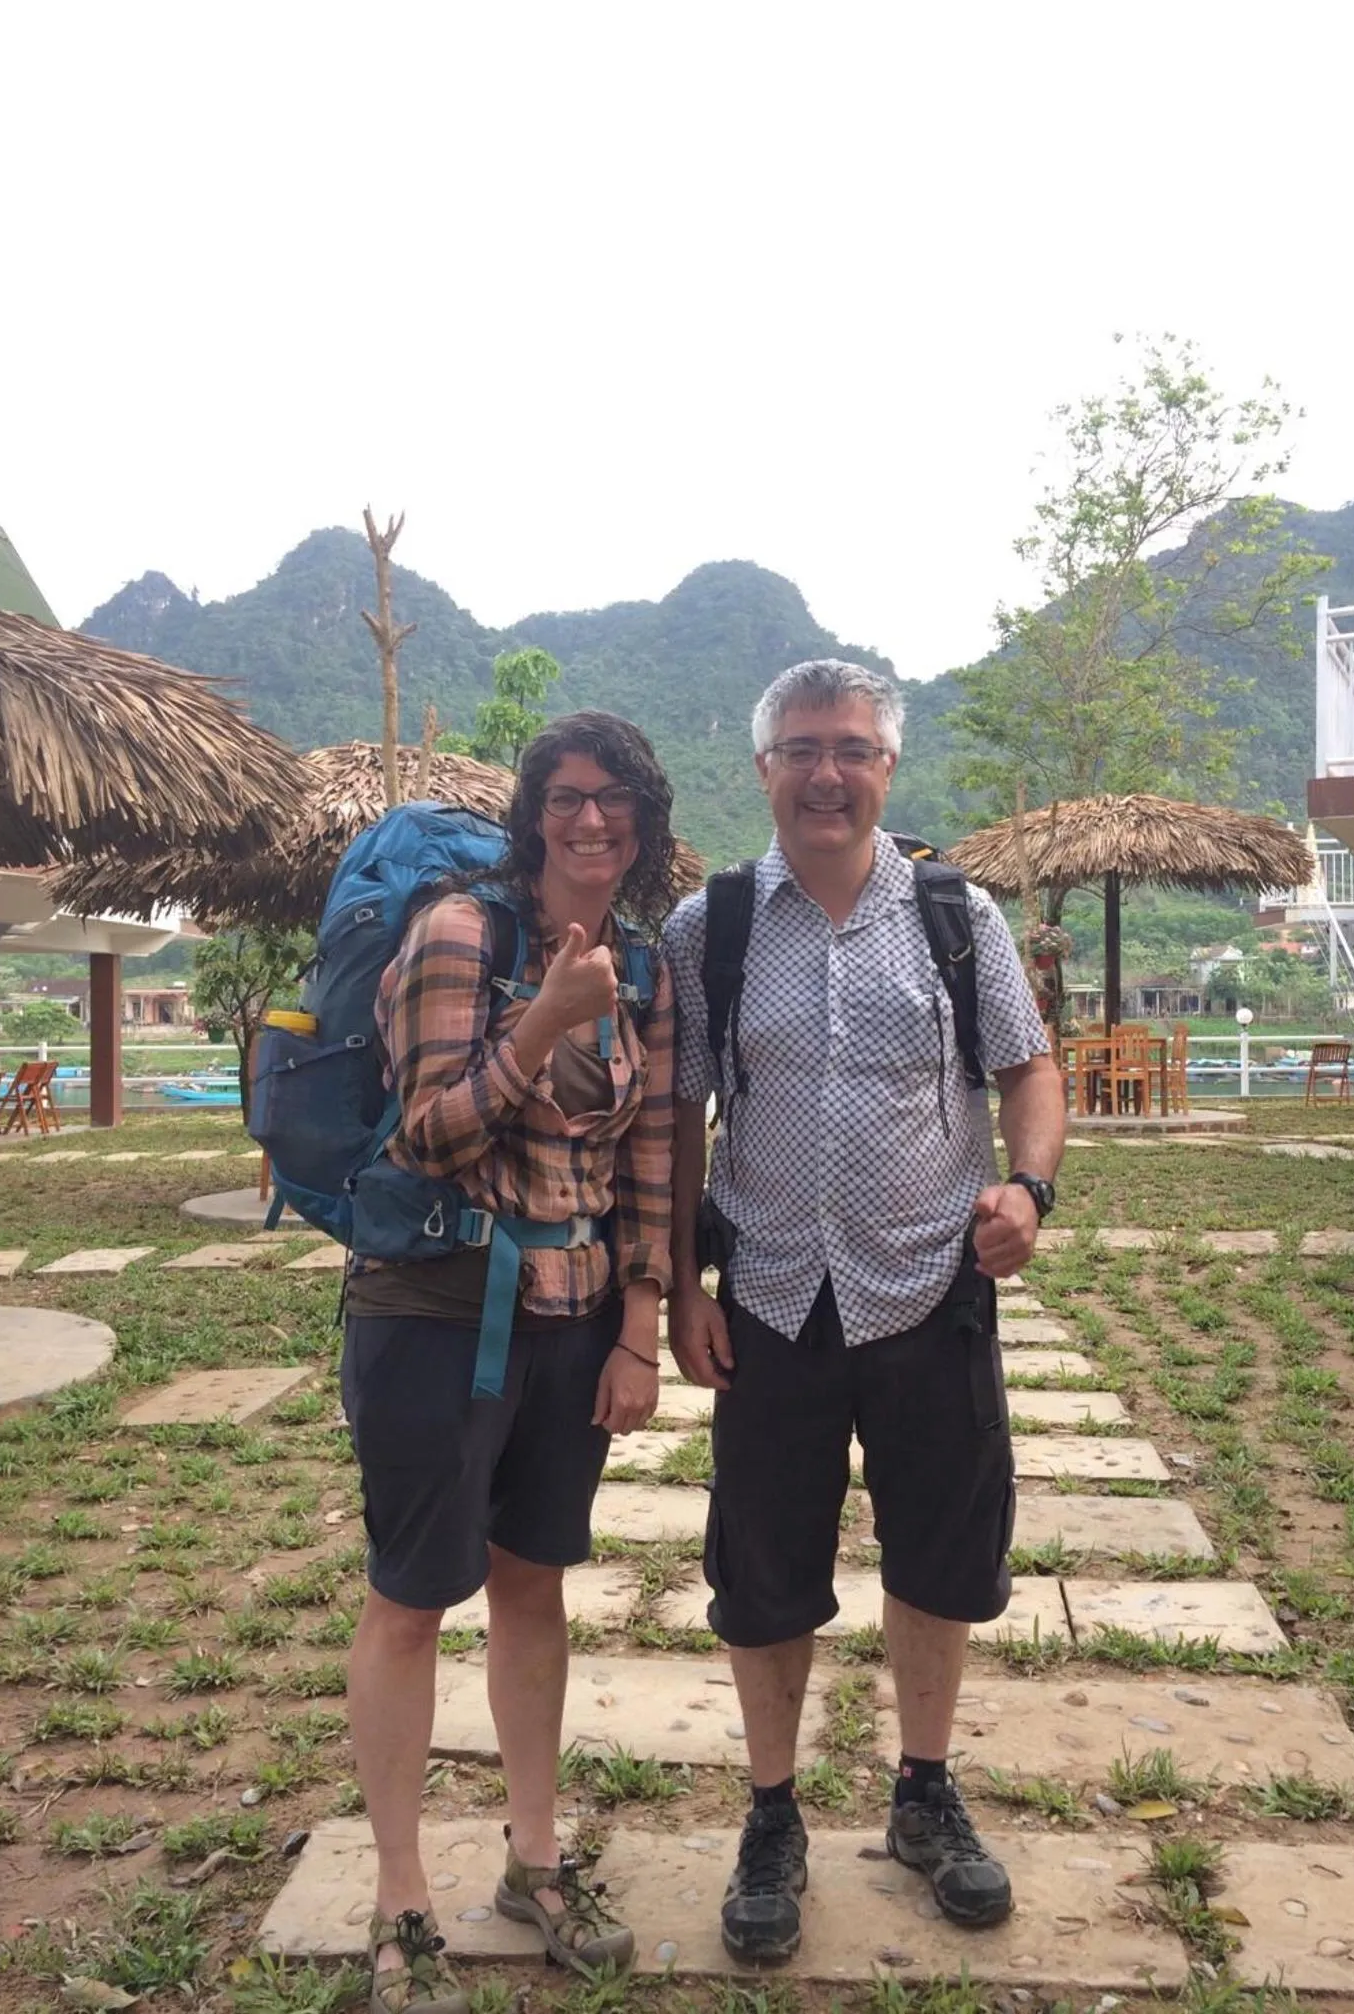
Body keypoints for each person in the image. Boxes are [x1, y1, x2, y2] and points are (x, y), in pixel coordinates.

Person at [665, 660, 1065, 1965]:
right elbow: (679, 1120)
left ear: (888, 767)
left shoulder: (958, 918)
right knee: (763, 1572)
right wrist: (676, 1284)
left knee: (942, 1557)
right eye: (801, 748)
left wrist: (1029, 1189)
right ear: (765, 769)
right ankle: (771, 1813)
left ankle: (924, 1792)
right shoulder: (710, 927)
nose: (827, 772)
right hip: (771, 1300)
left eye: (851, 747)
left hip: (928, 1290)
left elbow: (1030, 1067)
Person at [342, 712, 678, 2013]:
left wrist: (641, 1327)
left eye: (619, 805)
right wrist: (540, 1024)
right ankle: (400, 1898)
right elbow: (428, 1132)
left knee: (534, 1587)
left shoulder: (645, 965)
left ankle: (535, 1862)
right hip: (435, 1310)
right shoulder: (460, 933)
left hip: (576, 1316)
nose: (592, 823)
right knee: (412, 1599)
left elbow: (649, 1156)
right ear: (533, 813)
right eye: (569, 800)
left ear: (645, 827)